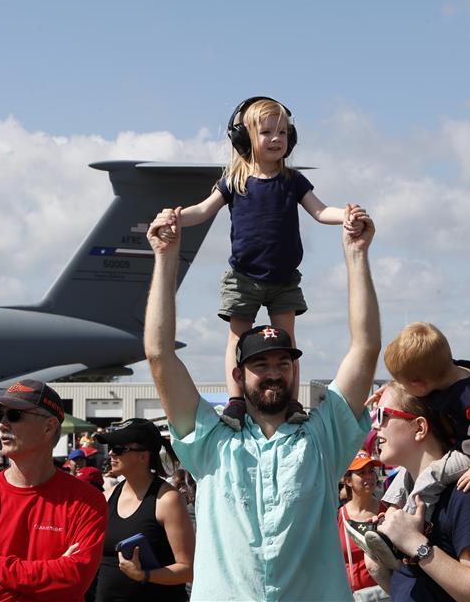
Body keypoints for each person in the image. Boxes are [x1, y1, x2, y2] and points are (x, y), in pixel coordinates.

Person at [144, 202, 379, 600]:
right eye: (261, 364)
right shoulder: (210, 441)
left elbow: (366, 349)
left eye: (283, 363)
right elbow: (159, 354)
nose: (273, 372)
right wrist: (166, 258)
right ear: (238, 375)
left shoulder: (324, 438)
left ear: (294, 371)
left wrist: (356, 254)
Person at [164, 96, 362, 430]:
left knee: (287, 342)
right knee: (237, 338)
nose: (276, 139)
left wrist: (346, 214)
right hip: (243, 277)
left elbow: (319, 211)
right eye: (266, 132)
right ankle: (236, 401)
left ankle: (292, 402)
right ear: (245, 138)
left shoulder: (293, 181)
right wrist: (176, 217)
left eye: (282, 132)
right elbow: (202, 210)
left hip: (284, 279)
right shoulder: (234, 181)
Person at [366, 322, 470, 567]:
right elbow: (417, 376)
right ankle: (389, 516)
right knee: (404, 474)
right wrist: (390, 391)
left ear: (420, 385)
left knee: (432, 476)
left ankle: (414, 528)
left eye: (403, 383)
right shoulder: (445, 371)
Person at [0, 380, 107, 602]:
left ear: (49, 427)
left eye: (14, 415)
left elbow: (74, 581)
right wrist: (49, 585)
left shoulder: (87, 501)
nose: (1, 425)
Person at [366, 382, 470, 600]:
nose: (375, 425)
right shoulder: (405, 496)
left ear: (420, 428)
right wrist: (379, 565)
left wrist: (415, 543)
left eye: (382, 415)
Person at [94, 418, 194, 602]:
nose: (111, 453)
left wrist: (144, 575)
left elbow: (188, 570)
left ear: (143, 456)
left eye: (119, 448)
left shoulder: (167, 500)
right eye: (111, 447)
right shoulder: (105, 497)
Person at [338, 451, 390, 602]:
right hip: (350, 597)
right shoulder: (338, 516)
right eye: (362, 472)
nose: (369, 476)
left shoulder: (388, 511)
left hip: (386, 595)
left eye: (371, 471)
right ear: (348, 481)